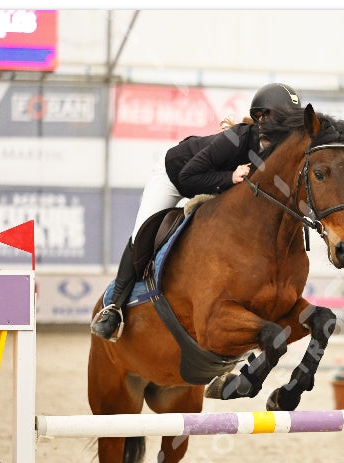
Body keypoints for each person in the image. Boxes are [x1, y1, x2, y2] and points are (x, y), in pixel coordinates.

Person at [91, 82, 302, 341]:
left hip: (216, 183)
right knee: (143, 233)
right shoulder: (235, 138)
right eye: (283, 122)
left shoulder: (277, 151)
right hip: (175, 175)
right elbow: (189, 176)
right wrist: (230, 176)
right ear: (260, 117)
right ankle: (114, 308)